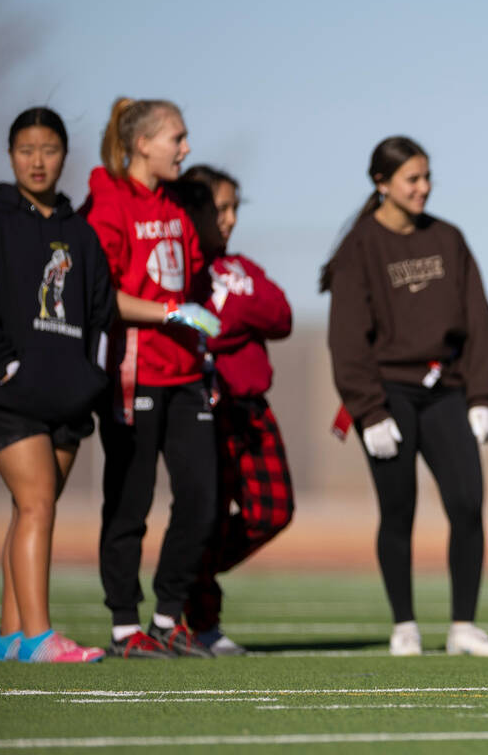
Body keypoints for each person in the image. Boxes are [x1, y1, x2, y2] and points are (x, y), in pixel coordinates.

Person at [322, 136, 488, 657]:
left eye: (427, 177)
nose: (423, 188)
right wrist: (368, 410)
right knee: (398, 509)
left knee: (468, 503)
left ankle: (463, 627)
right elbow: (347, 338)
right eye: (412, 179)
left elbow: (479, 320)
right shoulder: (360, 247)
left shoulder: (448, 238)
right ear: (382, 184)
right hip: (387, 396)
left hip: (446, 390)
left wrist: (482, 396)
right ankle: (404, 625)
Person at [0, 107, 113, 662]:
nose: (37, 160)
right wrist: (0, 368)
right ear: (10, 155)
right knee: (36, 506)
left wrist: (90, 377)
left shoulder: (79, 232)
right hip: (9, 395)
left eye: (49, 149)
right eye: (26, 149)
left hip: (67, 397)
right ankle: (38, 637)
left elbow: (99, 311)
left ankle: (9, 637)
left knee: (29, 508)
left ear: (64, 156)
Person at [81, 98, 222, 659]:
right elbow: (104, 297)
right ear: (141, 144)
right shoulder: (108, 202)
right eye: (176, 138)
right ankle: (123, 624)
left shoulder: (174, 205)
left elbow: (190, 277)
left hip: (186, 372)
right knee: (130, 501)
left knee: (202, 498)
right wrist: (171, 313)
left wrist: (197, 314)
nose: (185, 148)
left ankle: (167, 616)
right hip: (135, 372)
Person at [175, 165, 295, 656]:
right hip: (209, 403)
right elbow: (199, 327)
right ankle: (200, 617)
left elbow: (282, 314)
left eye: (233, 209)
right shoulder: (184, 268)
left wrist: (232, 314)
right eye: (217, 209)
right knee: (205, 512)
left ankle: (181, 570)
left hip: (253, 406)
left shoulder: (241, 265)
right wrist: (238, 316)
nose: (227, 220)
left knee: (275, 510)